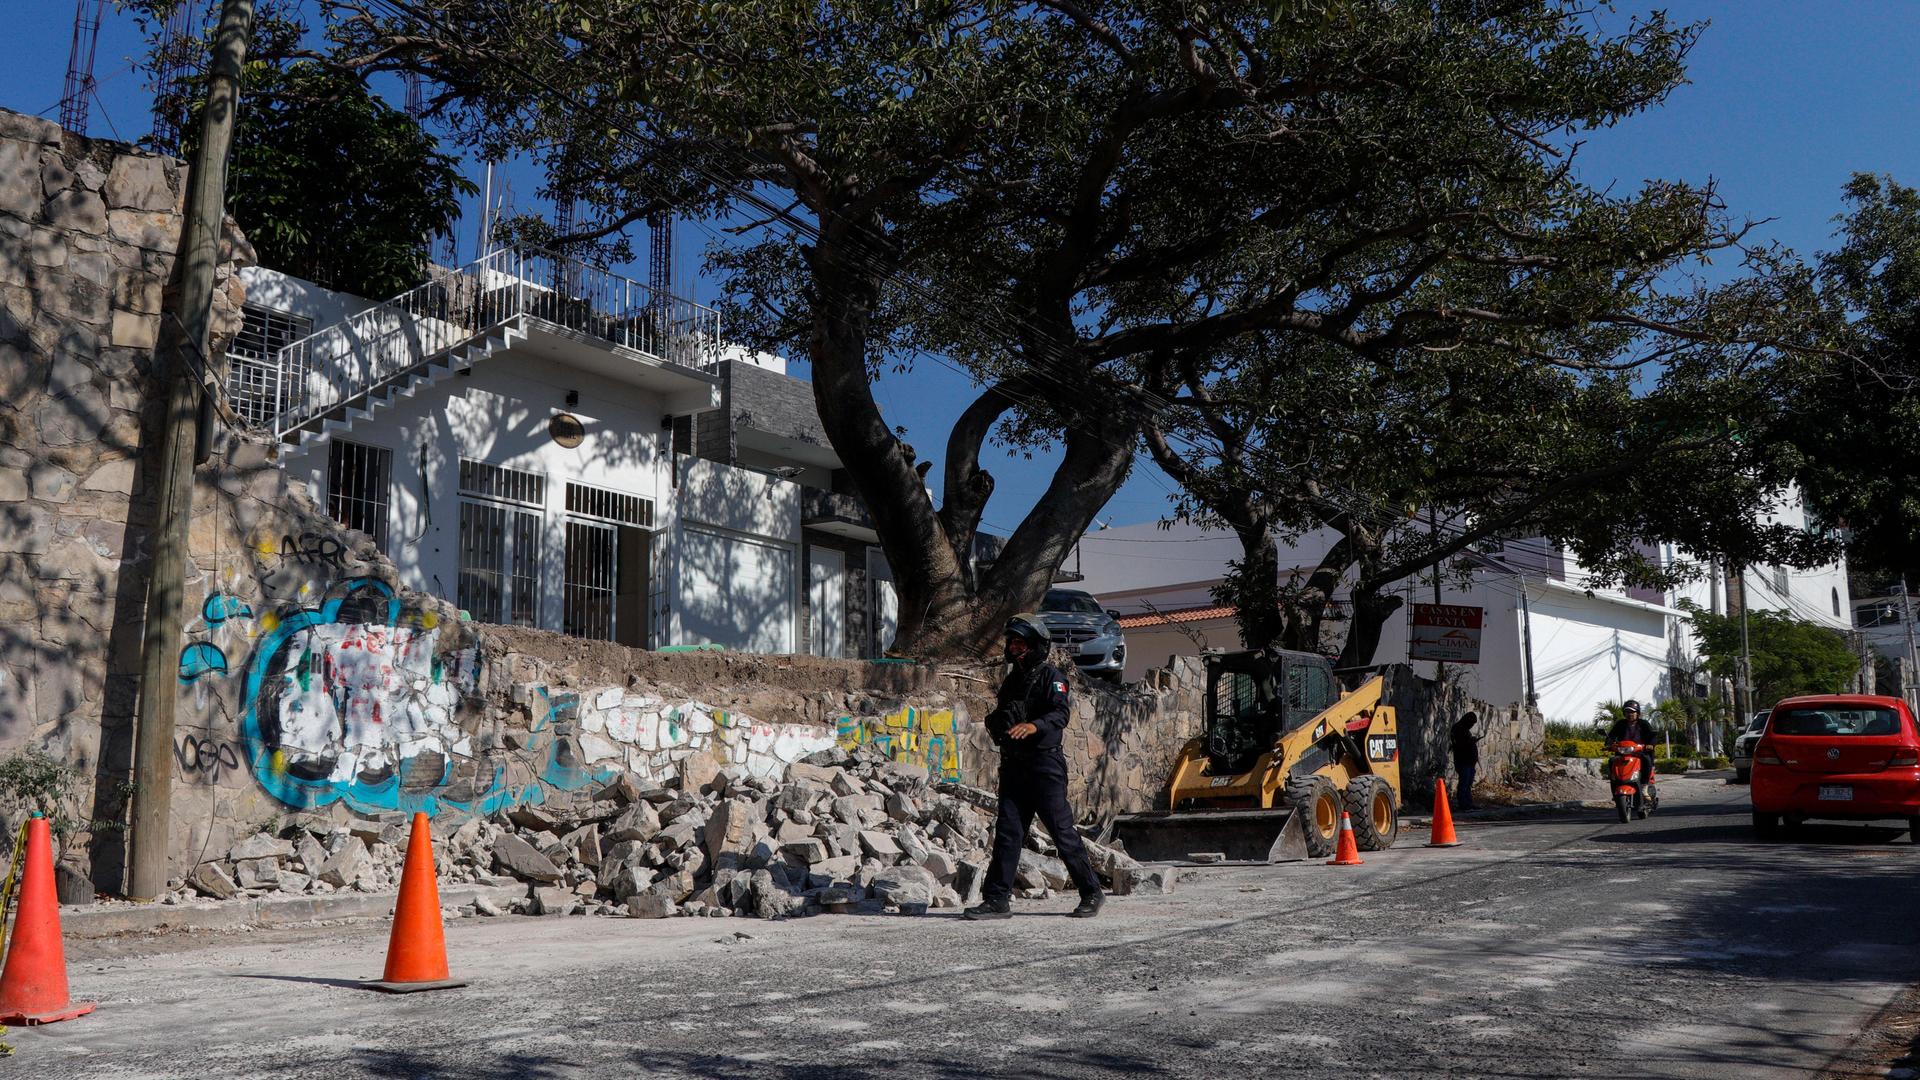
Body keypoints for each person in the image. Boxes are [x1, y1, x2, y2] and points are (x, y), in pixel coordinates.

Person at [965, 613, 1104, 921]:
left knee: (1062, 832)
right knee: (1008, 833)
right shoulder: (1013, 680)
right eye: (1012, 642)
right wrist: (997, 724)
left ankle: (1091, 893)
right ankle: (997, 899)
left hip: (1045, 767)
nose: (1015, 648)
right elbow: (1002, 713)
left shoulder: (1051, 676)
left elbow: (1059, 715)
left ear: (1036, 646)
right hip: (1014, 766)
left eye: (1020, 642)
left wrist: (1034, 726)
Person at [1606, 700, 1659, 792]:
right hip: (1623, 753)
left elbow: (1652, 736)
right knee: (1612, 761)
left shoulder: (1644, 724)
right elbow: (1611, 735)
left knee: (1646, 759)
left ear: (1637, 713)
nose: (1629, 714)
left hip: (1640, 752)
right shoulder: (1620, 724)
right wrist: (1608, 744)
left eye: (1632, 712)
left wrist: (1650, 745)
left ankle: (1644, 785)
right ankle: (1615, 785)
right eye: (1627, 712)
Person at [1450, 712, 1480, 812]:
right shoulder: (1458, 728)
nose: (1472, 725)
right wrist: (1470, 742)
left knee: (1468, 784)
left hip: (1469, 762)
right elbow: (1459, 745)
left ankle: (1469, 803)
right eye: (1471, 723)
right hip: (1463, 761)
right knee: (1464, 783)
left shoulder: (1464, 729)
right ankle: (1463, 804)